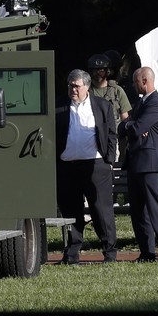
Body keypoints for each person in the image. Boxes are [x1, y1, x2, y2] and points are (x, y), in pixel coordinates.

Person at [55, 69, 118, 265]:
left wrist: (109, 160)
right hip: (67, 167)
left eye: (76, 86)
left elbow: (111, 133)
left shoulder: (101, 106)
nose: (72, 89)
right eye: (70, 85)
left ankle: (109, 253)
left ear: (87, 87)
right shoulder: (59, 106)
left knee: (101, 210)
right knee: (70, 212)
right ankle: (72, 254)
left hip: (96, 166)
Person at [117, 66, 158, 262]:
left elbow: (136, 128)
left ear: (144, 81)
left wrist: (131, 126)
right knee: (138, 211)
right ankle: (147, 252)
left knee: (155, 208)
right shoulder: (141, 103)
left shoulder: (156, 104)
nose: (134, 87)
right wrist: (130, 126)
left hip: (150, 164)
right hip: (136, 163)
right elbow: (125, 127)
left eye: (136, 82)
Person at [87, 53, 132, 164]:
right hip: (91, 135)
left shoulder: (117, 91)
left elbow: (125, 117)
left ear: (107, 71)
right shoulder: (86, 91)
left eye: (101, 70)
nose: (97, 73)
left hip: (112, 137)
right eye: (94, 70)